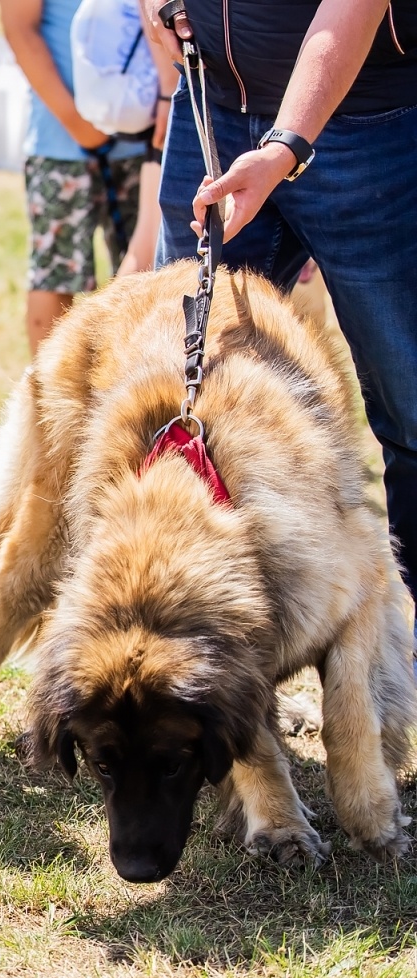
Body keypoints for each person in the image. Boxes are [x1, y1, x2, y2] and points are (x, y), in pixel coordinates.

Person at [145, 0, 417, 608]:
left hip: (372, 122)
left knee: (412, 410)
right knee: (175, 404)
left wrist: (285, 145)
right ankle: (194, 634)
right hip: (212, 107)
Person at [2, 0, 177, 354]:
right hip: (60, 142)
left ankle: (123, 396)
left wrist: (166, 96)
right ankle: (50, 403)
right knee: (55, 278)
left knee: (151, 278)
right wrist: (74, 120)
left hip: (143, 139)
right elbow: (19, 28)